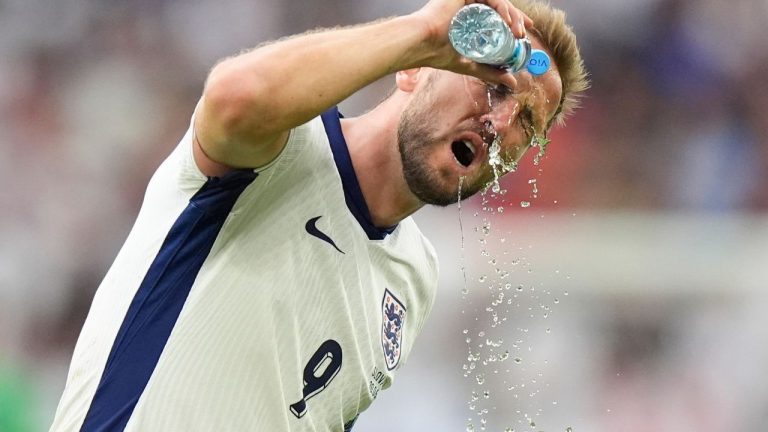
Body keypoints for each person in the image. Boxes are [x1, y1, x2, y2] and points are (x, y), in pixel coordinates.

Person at [50, 0, 588, 430]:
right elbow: (235, 96)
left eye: (527, 121)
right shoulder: (281, 146)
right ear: (413, 70)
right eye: (493, 87)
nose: (499, 122)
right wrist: (424, 30)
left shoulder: (416, 277)